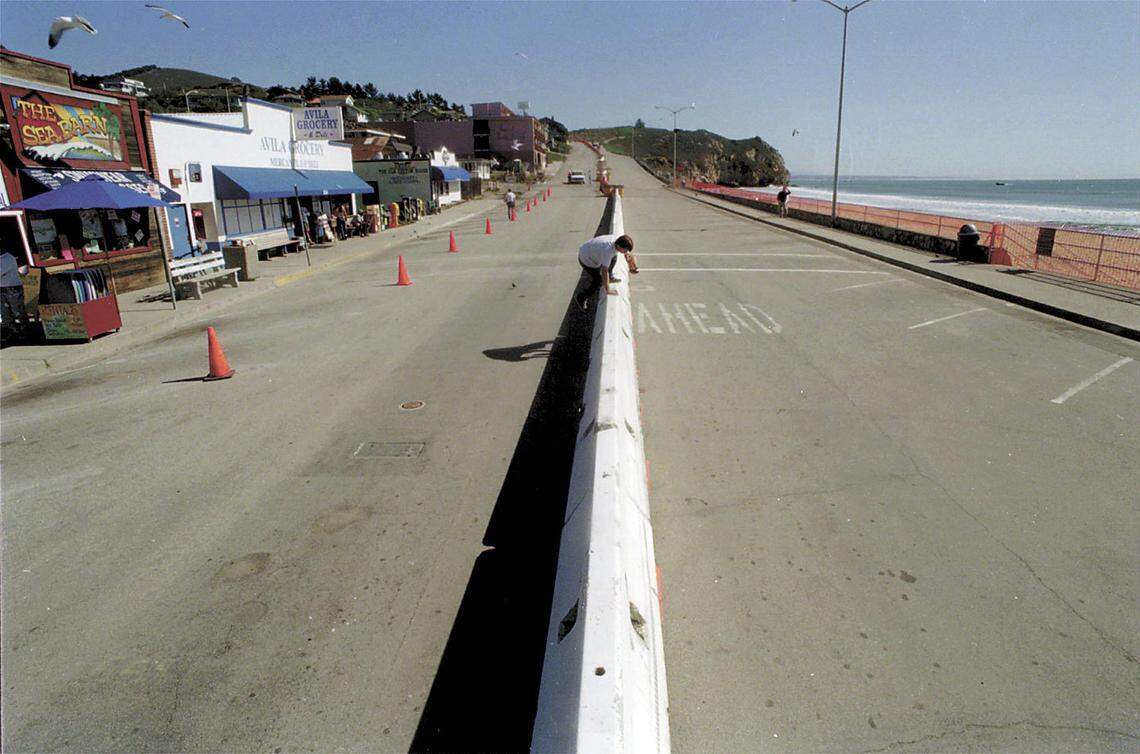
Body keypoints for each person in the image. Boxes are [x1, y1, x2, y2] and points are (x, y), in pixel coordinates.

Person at [575, 234, 635, 310]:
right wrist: (608, 289)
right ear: (619, 246)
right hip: (586, 258)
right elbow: (604, 271)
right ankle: (581, 298)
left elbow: (625, 251)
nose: (626, 252)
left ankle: (610, 277)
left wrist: (628, 258)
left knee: (614, 258)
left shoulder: (618, 240)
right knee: (598, 281)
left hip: (588, 249)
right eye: (625, 250)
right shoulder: (608, 251)